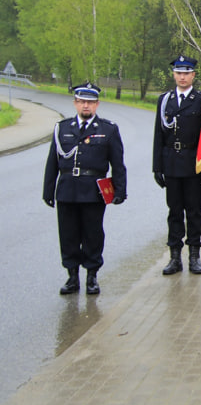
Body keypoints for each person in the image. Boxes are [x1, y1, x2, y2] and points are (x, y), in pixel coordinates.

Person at [43, 83, 126, 295]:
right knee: (68, 235)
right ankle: (72, 277)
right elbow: (52, 161)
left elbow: (117, 163)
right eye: (81, 102)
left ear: (97, 104)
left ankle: (92, 276)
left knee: (93, 235)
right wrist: (48, 190)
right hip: (67, 190)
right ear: (75, 103)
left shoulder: (108, 130)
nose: (85, 106)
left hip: (93, 191)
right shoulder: (62, 128)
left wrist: (119, 190)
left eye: (90, 102)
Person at [153, 55, 201, 276]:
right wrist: (157, 166)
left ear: (193, 75)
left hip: (193, 162)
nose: (182, 77)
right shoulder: (165, 100)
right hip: (170, 162)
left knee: (194, 212)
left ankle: (194, 256)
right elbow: (158, 135)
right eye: (179, 73)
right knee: (174, 212)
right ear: (174, 74)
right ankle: (174, 257)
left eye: (186, 73)